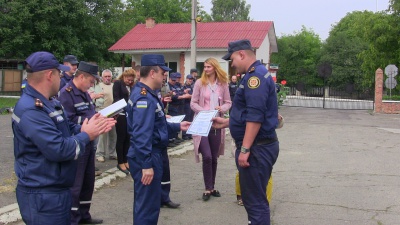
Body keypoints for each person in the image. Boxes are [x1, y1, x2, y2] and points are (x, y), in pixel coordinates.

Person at [12, 51, 115, 225]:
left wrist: (87, 127)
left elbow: (67, 127)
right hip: (43, 194)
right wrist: (86, 135)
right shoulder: (32, 110)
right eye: (59, 73)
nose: (62, 77)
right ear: (49, 75)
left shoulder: (49, 102)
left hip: (55, 190)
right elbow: (58, 150)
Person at [126, 54, 190, 225]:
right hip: (147, 155)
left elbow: (156, 126)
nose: (165, 77)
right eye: (163, 72)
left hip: (151, 153)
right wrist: (146, 165)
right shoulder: (143, 98)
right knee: (147, 207)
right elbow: (141, 135)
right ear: (152, 73)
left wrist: (177, 126)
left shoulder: (149, 94)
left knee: (149, 204)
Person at [222, 39, 280, 225]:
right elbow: (246, 114)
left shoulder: (254, 78)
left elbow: (255, 116)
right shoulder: (253, 75)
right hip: (258, 146)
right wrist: (225, 122)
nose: (232, 64)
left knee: (255, 202)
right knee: (254, 199)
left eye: (232, 59)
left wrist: (245, 149)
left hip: (256, 149)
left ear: (241, 54)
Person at [59, 61, 106, 225]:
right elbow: (68, 120)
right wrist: (91, 121)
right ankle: (74, 219)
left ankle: (84, 215)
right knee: (76, 184)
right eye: (91, 81)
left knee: (88, 181)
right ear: (81, 77)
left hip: (89, 142)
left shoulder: (85, 93)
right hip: (77, 143)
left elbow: (89, 112)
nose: (92, 85)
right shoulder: (66, 93)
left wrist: (99, 119)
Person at [190, 57, 232, 201]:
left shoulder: (223, 84)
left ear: (215, 67)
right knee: (206, 156)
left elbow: (228, 102)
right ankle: (207, 188)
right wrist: (204, 112)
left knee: (214, 157)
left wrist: (222, 108)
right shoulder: (199, 83)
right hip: (202, 123)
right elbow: (193, 103)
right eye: (205, 67)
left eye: (208, 67)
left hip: (216, 124)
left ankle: (212, 187)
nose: (206, 69)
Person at [113, 69, 135, 174]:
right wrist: (126, 106)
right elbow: (116, 98)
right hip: (120, 114)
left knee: (128, 138)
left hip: (129, 114)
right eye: (127, 79)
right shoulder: (117, 83)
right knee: (121, 138)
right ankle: (120, 161)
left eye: (131, 80)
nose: (129, 81)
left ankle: (126, 160)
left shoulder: (131, 86)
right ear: (124, 76)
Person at [96, 69, 117, 162]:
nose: (107, 78)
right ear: (102, 77)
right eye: (106, 76)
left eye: (109, 76)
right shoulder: (98, 86)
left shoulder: (114, 86)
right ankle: (100, 153)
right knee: (102, 135)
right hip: (102, 111)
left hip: (113, 111)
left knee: (113, 134)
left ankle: (112, 153)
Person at [182, 74, 194, 140]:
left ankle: (189, 133)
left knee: (191, 119)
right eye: (189, 79)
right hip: (186, 103)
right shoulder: (184, 86)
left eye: (191, 79)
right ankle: (184, 134)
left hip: (191, 103)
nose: (190, 80)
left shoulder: (191, 86)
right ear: (186, 79)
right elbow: (184, 95)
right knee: (186, 119)